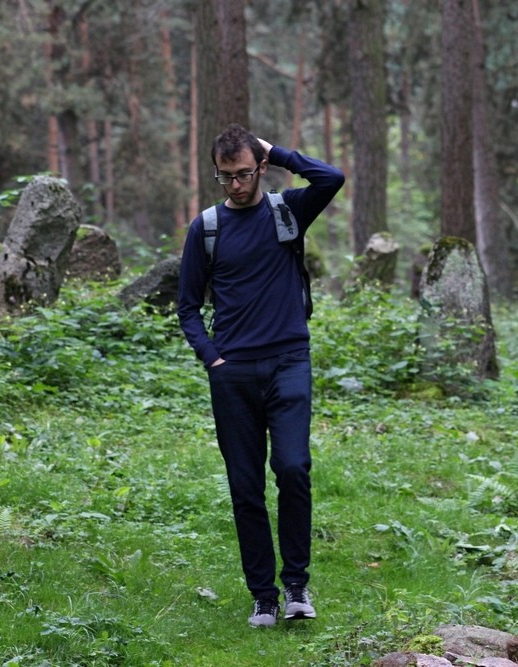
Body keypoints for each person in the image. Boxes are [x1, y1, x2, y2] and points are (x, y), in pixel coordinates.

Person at [177, 123, 344, 627]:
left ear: (260, 167)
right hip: (233, 373)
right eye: (225, 176)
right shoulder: (205, 229)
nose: (235, 185)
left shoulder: (287, 211)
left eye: (244, 173)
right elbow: (187, 306)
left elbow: (331, 178)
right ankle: (264, 596)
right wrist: (213, 359)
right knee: (245, 484)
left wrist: (280, 151)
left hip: (290, 360)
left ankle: (297, 587)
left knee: (293, 468)